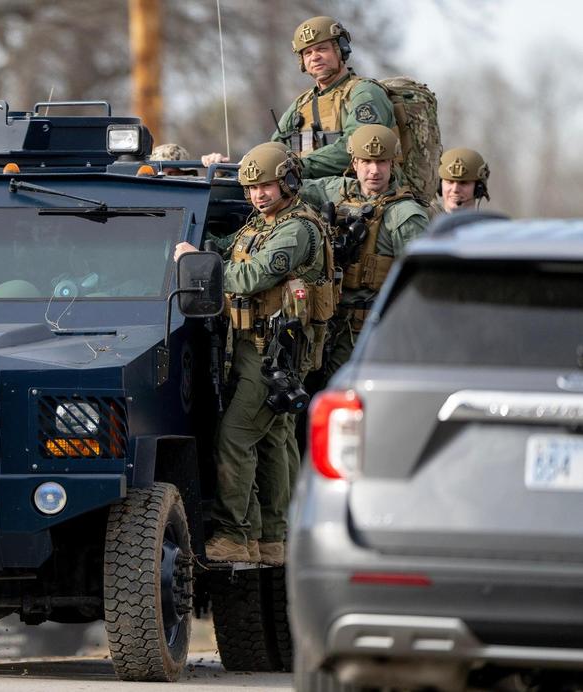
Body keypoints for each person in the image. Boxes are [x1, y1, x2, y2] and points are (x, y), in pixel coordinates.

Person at [174, 143, 331, 564]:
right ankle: (274, 541)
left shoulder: (296, 230)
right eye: (251, 187)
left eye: (266, 185)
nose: (258, 194)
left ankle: (236, 535)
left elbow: (253, 276)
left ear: (288, 181)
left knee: (236, 437)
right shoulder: (263, 224)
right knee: (273, 441)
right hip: (255, 347)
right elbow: (229, 245)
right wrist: (200, 244)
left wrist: (198, 263)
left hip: (273, 353)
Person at [298, 124, 428, 385]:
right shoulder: (336, 191)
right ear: (354, 162)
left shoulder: (405, 215)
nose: (374, 170)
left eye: (381, 162)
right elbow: (286, 189)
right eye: (366, 161)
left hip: (367, 331)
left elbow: (420, 285)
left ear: (393, 164)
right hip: (324, 323)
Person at [201, 16, 395, 180]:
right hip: (308, 196)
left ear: (341, 50)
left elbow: (359, 149)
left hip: (358, 196)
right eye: (308, 52)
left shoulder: (364, 93)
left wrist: (296, 166)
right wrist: (235, 169)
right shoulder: (302, 105)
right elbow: (275, 151)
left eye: (322, 49)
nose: (314, 57)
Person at [438, 147, 490, 213]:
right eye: (450, 182)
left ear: (478, 188)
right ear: (439, 186)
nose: (455, 189)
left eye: (463, 183)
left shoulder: (489, 223)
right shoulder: (426, 221)